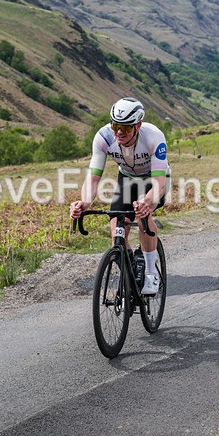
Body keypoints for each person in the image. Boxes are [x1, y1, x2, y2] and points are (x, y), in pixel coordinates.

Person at [70, 97, 169, 295]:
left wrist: (148, 202)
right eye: (115, 126)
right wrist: (85, 202)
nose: (119, 133)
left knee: (143, 216)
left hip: (153, 179)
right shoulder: (103, 137)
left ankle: (150, 273)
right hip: (128, 178)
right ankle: (130, 264)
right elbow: (93, 178)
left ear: (138, 125)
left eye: (125, 128)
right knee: (116, 223)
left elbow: (159, 183)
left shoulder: (154, 137)